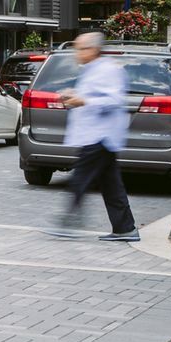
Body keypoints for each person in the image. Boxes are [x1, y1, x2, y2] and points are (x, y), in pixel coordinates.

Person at [48, 31, 138, 242]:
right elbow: (93, 95)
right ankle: (125, 228)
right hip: (97, 136)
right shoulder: (91, 70)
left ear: (93, 49)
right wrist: (74, 96)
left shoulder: (107, 70)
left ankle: (68, 221)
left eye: (80, 48)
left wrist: (83, 101)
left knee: (80, 178)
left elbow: (115, 100)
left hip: (100, 135)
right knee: (111, 184)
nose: (76, 53)